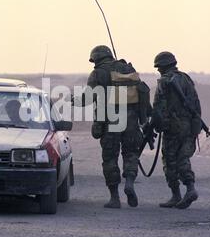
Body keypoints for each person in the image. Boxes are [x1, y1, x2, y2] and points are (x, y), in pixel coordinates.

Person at [73, 45, 150, 208]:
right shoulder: (127, 68)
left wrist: (73, 100)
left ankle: (115, 198)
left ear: (96, 59)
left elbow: (88, 98)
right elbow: (142, 92)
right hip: (131, 121)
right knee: (130, 153)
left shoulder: (97, 73)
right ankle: (129, 182)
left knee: (110, 158)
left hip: (110, 122)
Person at [151, 52, 201, 209]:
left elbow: (158, 109)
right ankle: (190, 188)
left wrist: (154, 126)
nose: (158, 70)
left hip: (172, 127)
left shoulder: (165, 82)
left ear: (164, 66)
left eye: (159, 67)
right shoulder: (186, 79)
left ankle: (176, 195)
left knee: (170, 160)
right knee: (183, 158)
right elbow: (195, 103)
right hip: (188, 125)